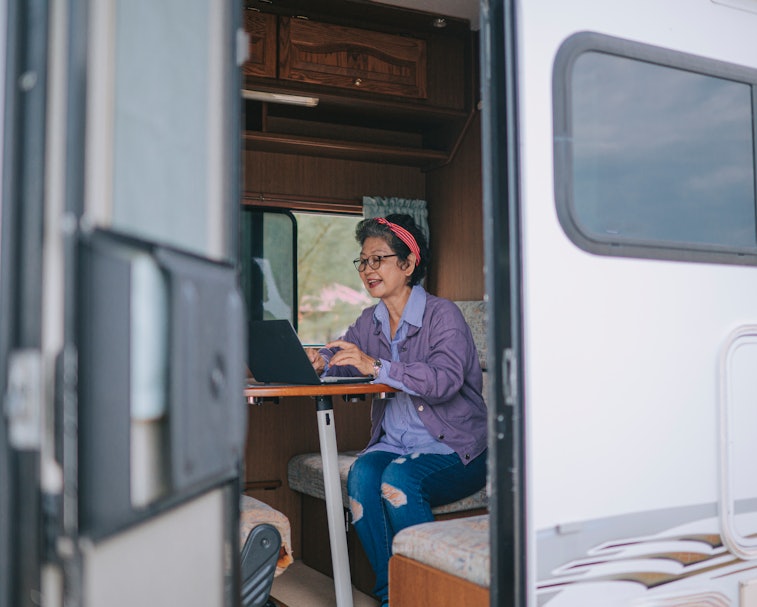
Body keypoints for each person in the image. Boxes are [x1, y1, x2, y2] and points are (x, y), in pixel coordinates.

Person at [307, 214, 487, 607]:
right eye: (363, 261)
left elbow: (444, 381)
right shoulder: (369, 321)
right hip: (397, 444)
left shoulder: (444, 316)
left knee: (399, 480)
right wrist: (320, 358)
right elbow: (343, 349)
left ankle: (430, 596)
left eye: (379, 259)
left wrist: (376, 366)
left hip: (457, 450)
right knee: (362, 474)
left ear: (408, 265)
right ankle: (395, 597)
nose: (368, 269)